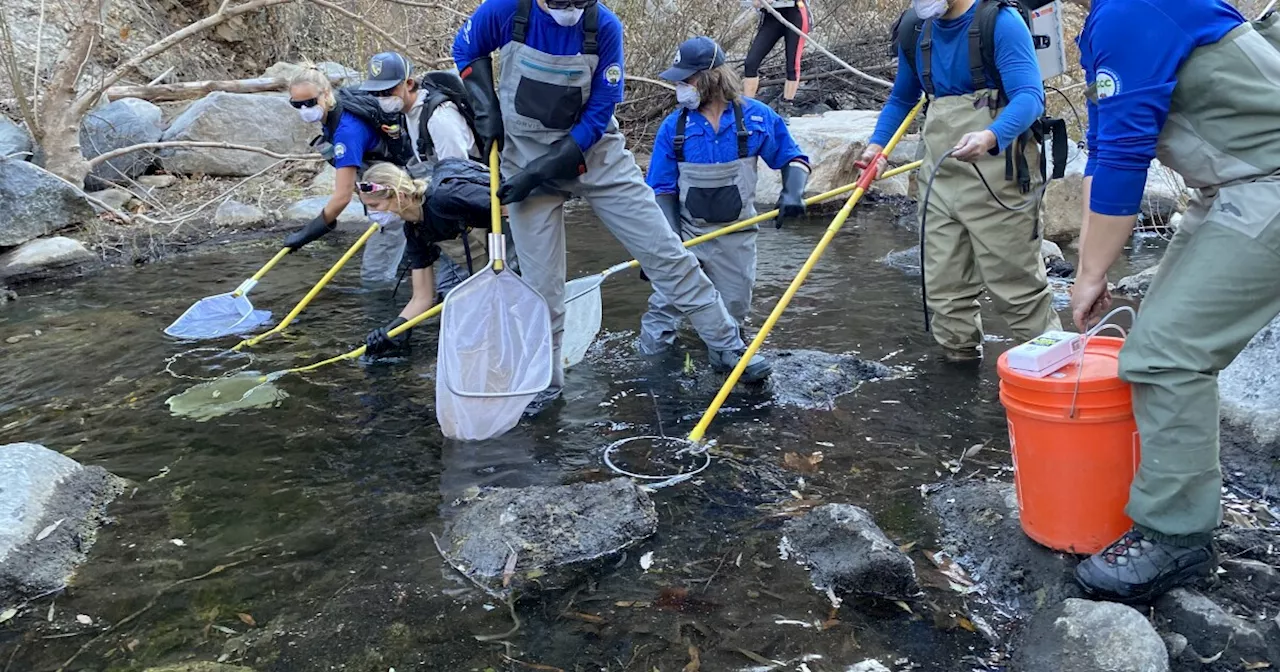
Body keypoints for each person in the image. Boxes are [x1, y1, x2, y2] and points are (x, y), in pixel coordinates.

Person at [452, 0, 772, 417]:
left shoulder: (604, 27)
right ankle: (546, 386)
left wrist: (547, 167)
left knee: (665, 254)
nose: (571, 8)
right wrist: (483, 104)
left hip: (595, 153)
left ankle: (728, 346)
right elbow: (465, 51)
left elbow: (600, 111)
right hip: (523, 157)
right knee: (541, 289)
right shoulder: (505, 11)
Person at [1069, 0, 1280, 604]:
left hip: (1266, 184)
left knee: (1166, 354)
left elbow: (1129, 159)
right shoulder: (1109, 24)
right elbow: (1104, 148)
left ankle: (1177, 536)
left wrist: (1088, 276)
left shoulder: (1131, 11)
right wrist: (1088, 264)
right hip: (1232, 186)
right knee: (1153, 346)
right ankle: (1177, 489)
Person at [862, 0, 1060, 363]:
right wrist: (878, 148)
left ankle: (1057, 380)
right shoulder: (914, 28)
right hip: (939, 179)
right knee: (945, 294)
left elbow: (1030, 97)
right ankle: (958, 375)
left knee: (1017, 291)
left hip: (1000, 179)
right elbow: (902, 97)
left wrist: (989, 136)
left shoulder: (1000, 22)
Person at [639, 36, 810, 355]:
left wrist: (793, 191)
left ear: (709, 78)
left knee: (732, 315)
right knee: (662, 312)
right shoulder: (672, 128)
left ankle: (725, 369)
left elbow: (793, 158)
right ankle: (655, 378)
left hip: (737, 237)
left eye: (686, 79)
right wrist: (665, 246)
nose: (680, 86)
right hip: (687, 235)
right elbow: (661, 190)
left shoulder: (757, 118)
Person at [284, 53, 484, 285]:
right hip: (401, 190)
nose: (304, 109)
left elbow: (457, 176)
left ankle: (382, 305)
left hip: (408, 199)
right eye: (296, 105)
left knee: (377, 276)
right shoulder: (398, 112)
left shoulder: (349, 131)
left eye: (309, 102)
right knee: (419, 268)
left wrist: (311, 231)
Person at [356, 160, 495, 356]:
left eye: (375, 205)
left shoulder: (445, 198)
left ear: (400, 196)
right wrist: (396, 329)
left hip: (516, 246)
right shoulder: (414, 230)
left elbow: (509, 206)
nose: (372, 213)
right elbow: (423, 297)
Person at [742, 0, 812, 114]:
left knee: (792, 65)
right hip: (772, 15)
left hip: (795, 13)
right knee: (751, 62)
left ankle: (785, 109)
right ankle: (747, 110)